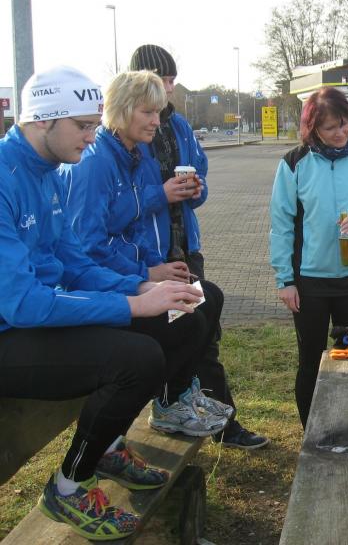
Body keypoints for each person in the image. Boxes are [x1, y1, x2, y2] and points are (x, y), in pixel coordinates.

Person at [0, 66, 209, 540]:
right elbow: (23, 305)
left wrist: (139, 288)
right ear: (41, 119)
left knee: (180, 318)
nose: (92, 136)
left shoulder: (51, 172)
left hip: (34, 319)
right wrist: (131, 305)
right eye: (82, 125)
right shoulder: (6, 179)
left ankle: (110, 446)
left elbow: (74, 263)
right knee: (136, 357)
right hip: (11, 332)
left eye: (95, 125)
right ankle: (68, 486)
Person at [59, 70, 231, 439]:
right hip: (103, 291)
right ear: (122, 110)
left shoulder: (135, 155)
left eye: (159, 112)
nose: (156, 121)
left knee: (208, 296)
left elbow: (138, 223)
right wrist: (146, 274)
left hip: (136, 274)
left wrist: (157, 264)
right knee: (187, 319)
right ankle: (167, 404)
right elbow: (87, 247)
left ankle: (177, 395)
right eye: (148, 112)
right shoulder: (95, 163)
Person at [128, 44, 268, 450]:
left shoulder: (180, 126)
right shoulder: (128, 135)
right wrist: (161, 194)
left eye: (172, 80)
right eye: (162, 80)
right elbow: (121, 204)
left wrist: (195, 191)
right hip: (151, 258)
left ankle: (221, 421)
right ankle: (176, 409)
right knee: (182, 334)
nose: (169, 88)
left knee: (204, 333)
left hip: (185, 249)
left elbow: (199, 177)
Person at [270, 87, 348, 428]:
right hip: (309, 282)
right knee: (310, 360)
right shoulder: (294, 163)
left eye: (345, 124)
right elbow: (281, 225)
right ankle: (312, 432)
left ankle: (346, 426)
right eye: (330, 127)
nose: (340, 133)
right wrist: (285, 280)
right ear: (313, 129)